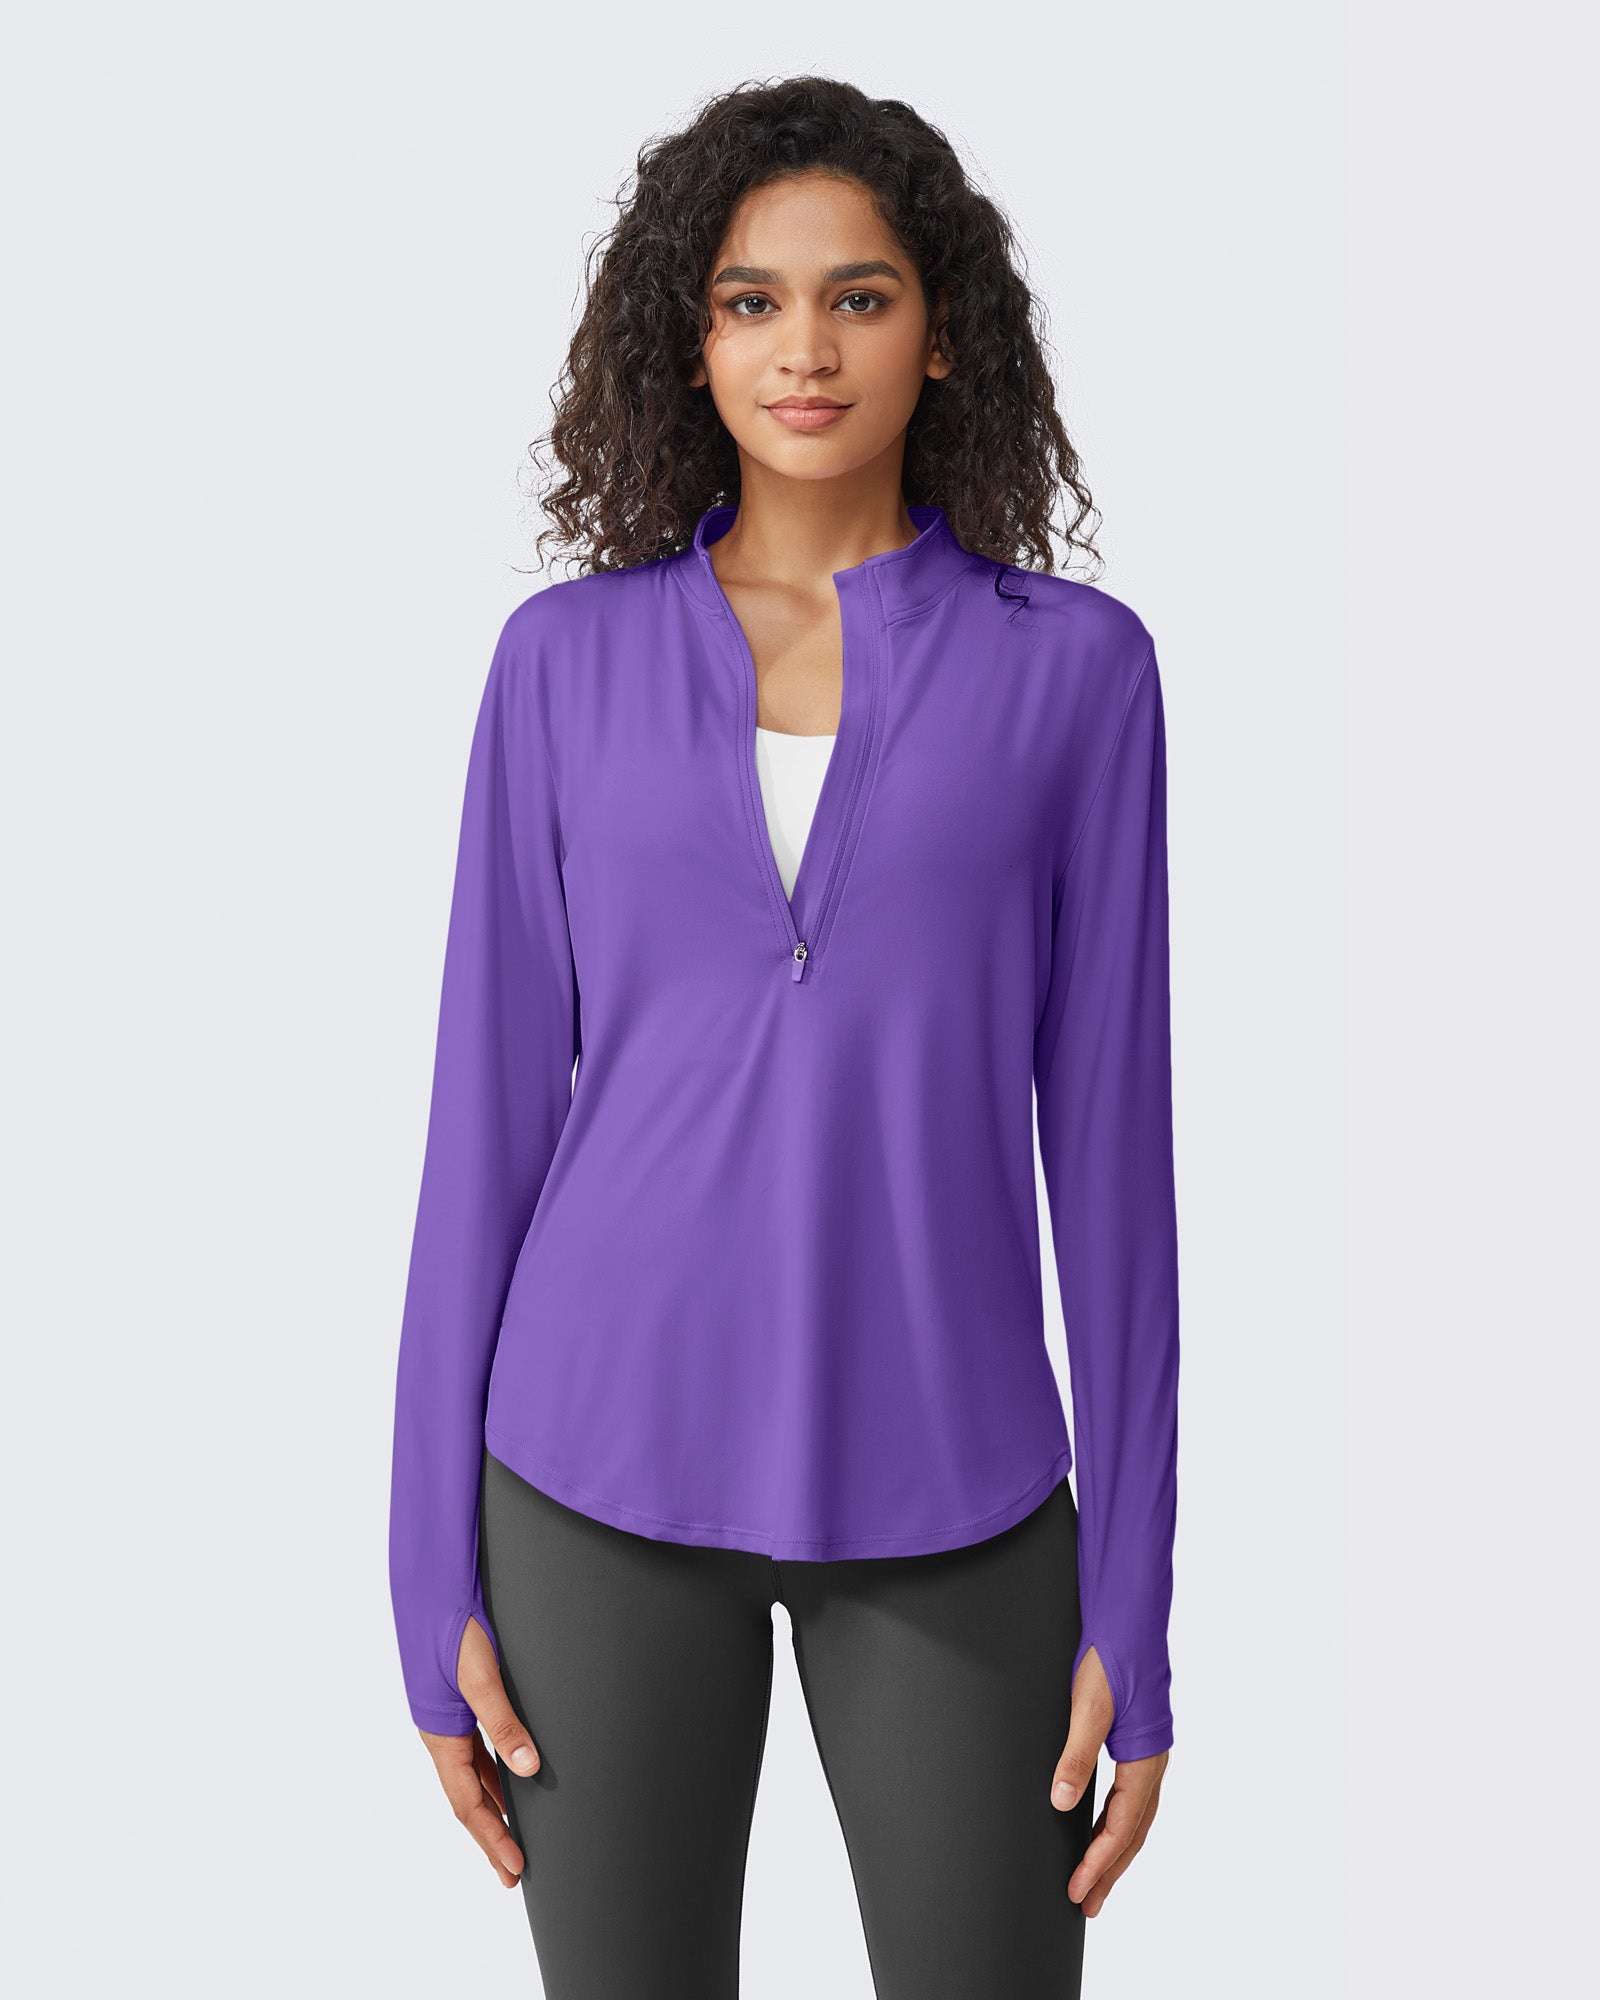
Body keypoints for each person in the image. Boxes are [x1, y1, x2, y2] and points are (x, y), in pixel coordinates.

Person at [387, 74, 1180, 2000]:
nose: (804, 350)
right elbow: (484, 1131)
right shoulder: (561, 665)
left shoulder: (1077, 675)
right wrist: (425, 1576)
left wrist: (1136, 1603)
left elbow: (1115, 1165)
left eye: (859, 297)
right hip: (589, 1480)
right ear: (692, 339)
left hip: (958, 1488)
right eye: (752, 301)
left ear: (943, 332)